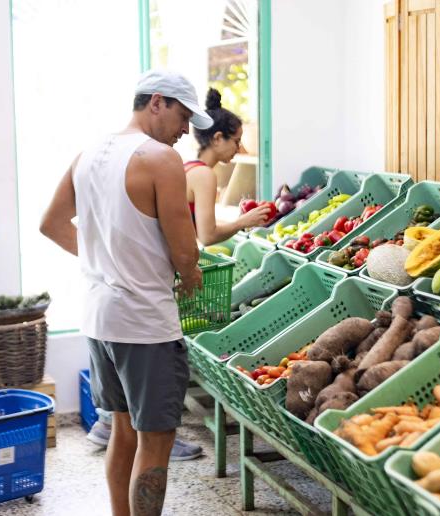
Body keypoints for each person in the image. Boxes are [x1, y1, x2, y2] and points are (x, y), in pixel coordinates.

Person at [40, 69, 211, 516]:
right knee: (155, 442)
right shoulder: (159, 159)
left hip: (100, 320)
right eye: (182, 117)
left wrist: (103, 260)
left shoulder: (89, 153)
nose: (184, 132)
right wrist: (190, 274)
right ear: (157, 102)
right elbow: (185, 251)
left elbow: (51, 223)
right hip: (145, 326)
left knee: (122, 431)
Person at [185, 88, 270, 245]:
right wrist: (242, 222)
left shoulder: (189, 167)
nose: (238, 149)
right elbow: (207, 236)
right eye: (236, 141)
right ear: (217, 138)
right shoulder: (204, 175)